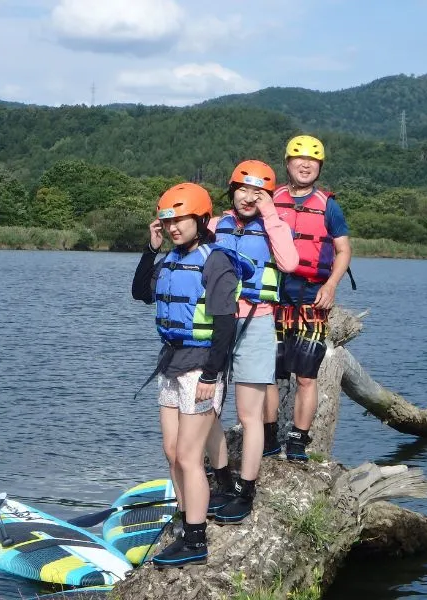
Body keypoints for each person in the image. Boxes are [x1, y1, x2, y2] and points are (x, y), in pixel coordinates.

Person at [131, 182, 253, 568]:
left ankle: (197, 540)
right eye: (167, 222)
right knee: (172, 452)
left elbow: (225, 326)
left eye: (180, 220)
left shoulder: (214, 260)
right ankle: (186, 523)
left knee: (187, 455)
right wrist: (150, 249)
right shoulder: (167, 259)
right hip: (171, 363)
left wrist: (211, 376)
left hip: (201, 365)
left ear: (200, 219)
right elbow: (140, 292)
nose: (173, 228)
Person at [204, 160, 298, 525]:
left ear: (268, 198)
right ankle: (223, 479)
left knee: (249, 415)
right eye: (242, 190)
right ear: (231, 192)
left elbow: (289, 262)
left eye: (258, 193)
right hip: (216, 324)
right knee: (207, 410)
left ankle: (247, 489)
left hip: (257, 323)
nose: (248, 197)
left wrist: (271, 214)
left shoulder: (274, 227)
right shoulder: (214, 226)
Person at [263, 135, 352, 461]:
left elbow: (343, 250)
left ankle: (299, 439)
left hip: (312, 297)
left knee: (306, 376)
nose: (305, 165)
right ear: (287, 163)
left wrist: (330, 286)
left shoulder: (329, 206)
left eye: (312, 161)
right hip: (273, 296)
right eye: (298, 159)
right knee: (267, 373)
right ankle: (269, 435)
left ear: (319, 167)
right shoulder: (271, 200)